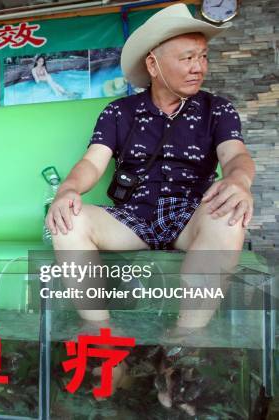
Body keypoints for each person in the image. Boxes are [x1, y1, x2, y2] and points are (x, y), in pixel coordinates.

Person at [45, 3, 254, 401]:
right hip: (133, 217)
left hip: (190, 215)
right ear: (154, 65)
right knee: (70, 220)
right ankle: (101, 337)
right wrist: (68, 191)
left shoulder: (218, 109)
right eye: (188, 57)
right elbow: (92, 163)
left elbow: (235, 157)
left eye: (203, 57)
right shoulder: (118, 112)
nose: (199, 67)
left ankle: (182, 347)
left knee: (228, 217)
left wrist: (240, 181)